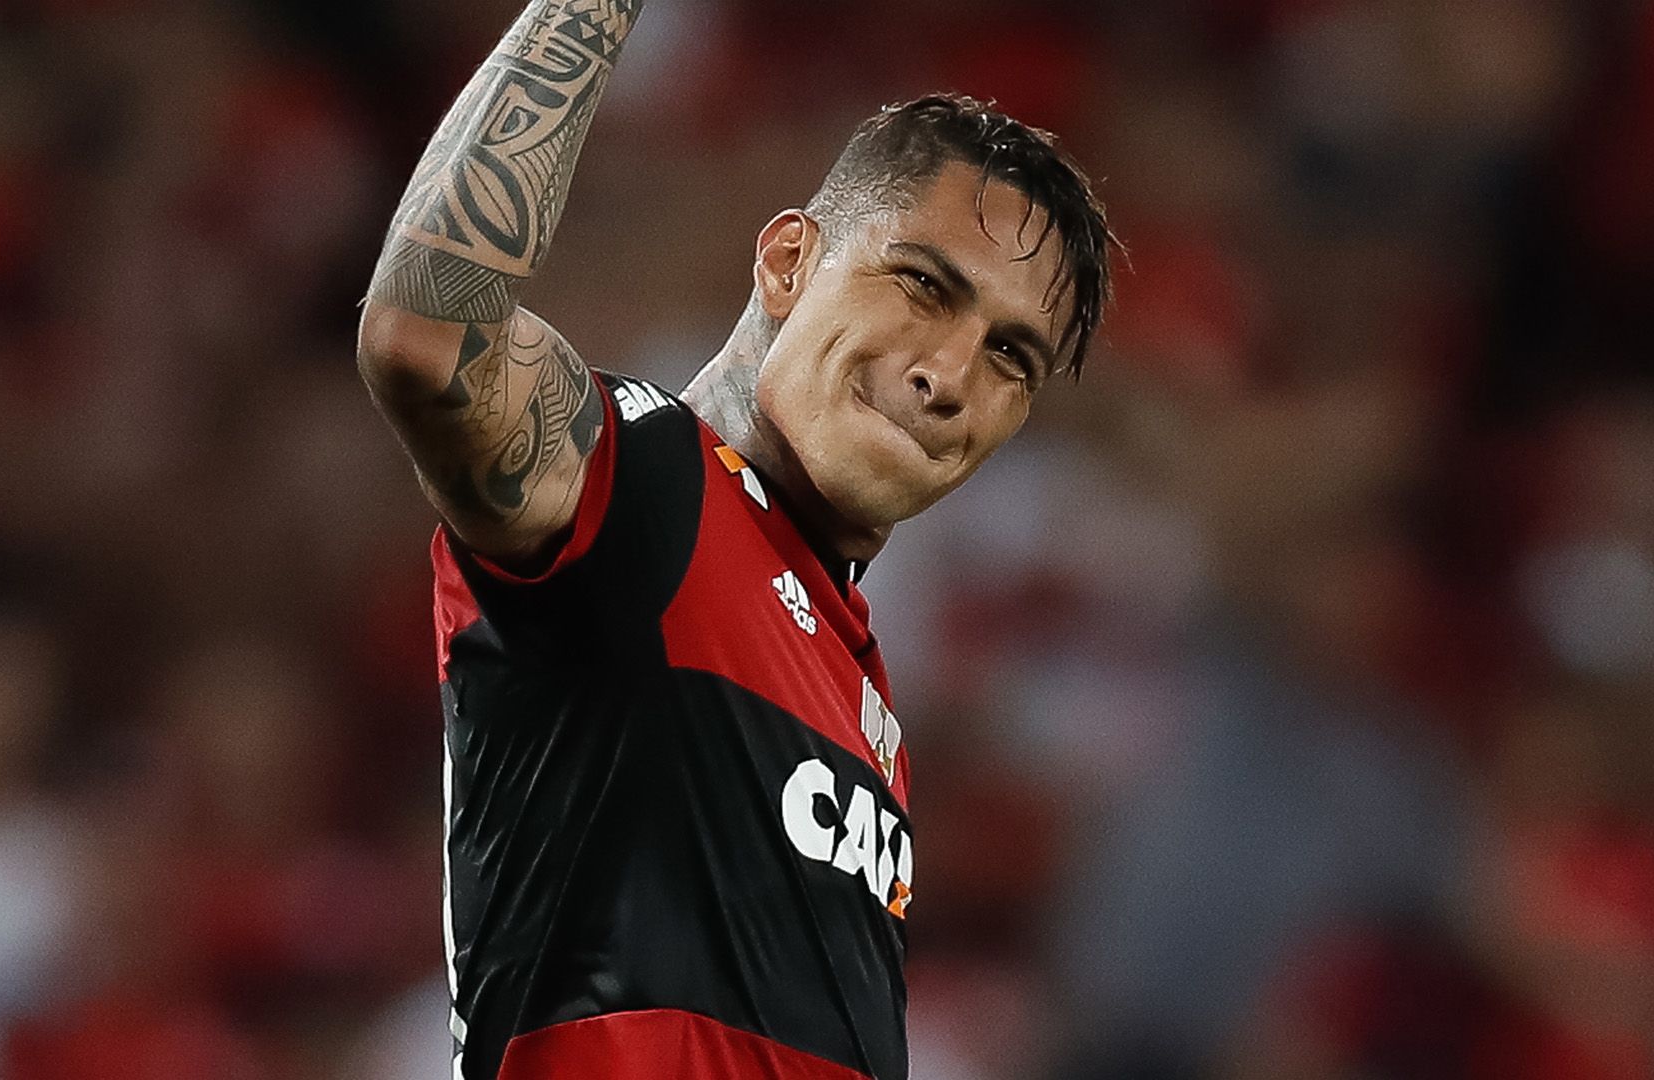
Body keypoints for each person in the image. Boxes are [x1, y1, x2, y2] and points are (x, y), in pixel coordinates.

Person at [355, 3, 1115, 1078]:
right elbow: (430, 334)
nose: (947, 375)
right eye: (922, 284)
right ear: (789, 262)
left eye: (1009, 357)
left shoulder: (859, 690)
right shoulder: (643, 482)